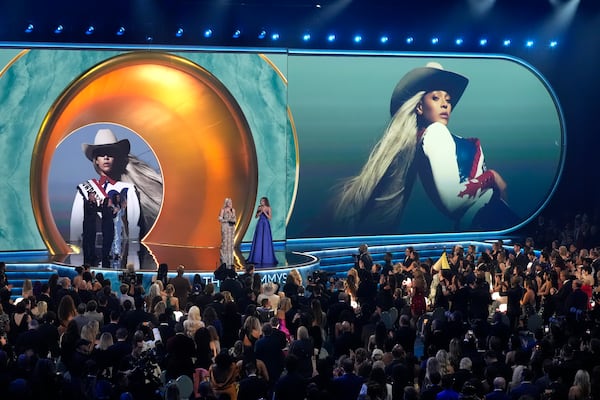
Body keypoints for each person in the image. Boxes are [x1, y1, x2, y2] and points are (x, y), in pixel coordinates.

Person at [335, 62, 516, 233]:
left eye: (448, 99)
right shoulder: (436, 132)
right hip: (486, 219)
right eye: (436, 98)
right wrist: (491, 177)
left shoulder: (429, 138)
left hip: (485, 220)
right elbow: (453, 202)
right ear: (420, 107)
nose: (445, 104)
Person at [70, 128, 162, 246]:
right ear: (96, 160)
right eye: (101, 153)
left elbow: (134, 230)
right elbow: (75, 231)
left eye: (110, 153)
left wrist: (133, 257)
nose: (106, 157)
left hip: (123, 256)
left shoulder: (129, 190)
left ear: (116, 158)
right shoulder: (84, 190)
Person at [247, 197, 278, 266]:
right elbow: (256, 216)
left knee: (265, 240)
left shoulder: (268, 208)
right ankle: (256, 258)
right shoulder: (259, 207)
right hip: (260, 224)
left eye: (262, 201)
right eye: (260, 201)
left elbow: (270, 218)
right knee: (258, 240)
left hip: (266, 225)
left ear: (265, 202)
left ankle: (266, 258)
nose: (261, 202)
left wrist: (265, 212)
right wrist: (260, 212)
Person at [218, 197, 237, 268]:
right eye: (229, 202)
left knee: (230, 244)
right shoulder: (223, 210)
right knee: (225, 243)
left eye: (231, 202)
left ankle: (230, 261)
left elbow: (235, 218)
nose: (230, 204)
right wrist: (226, 220)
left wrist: (233, 220)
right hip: (225, 227)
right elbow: (219, 218)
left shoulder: (233, 210)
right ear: (226, 203)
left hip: (231, 228)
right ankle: (224, 261)